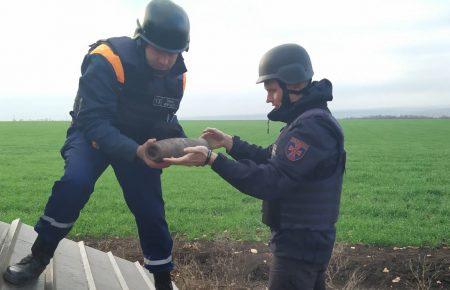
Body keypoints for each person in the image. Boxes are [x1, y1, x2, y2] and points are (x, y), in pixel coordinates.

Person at [3, 0, 189, 289]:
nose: (166, 61)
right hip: (94, 135)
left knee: (151, 208)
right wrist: (135, 151)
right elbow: (94, 121)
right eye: (160, 51)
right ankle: (38, 256)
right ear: (142, 41)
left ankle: (163, 280)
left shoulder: (177, 75)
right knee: (75, 183)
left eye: (173, 54)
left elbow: (165, 119)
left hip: (139, 142)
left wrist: (186, 145)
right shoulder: (107, 58)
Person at [165, 44, 346, 290]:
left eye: (271, 89)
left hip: (299, 245)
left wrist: (213, 160)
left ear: (291, 84)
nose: (268, 98)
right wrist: (229, 143)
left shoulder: (311, 128)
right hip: (305, 240)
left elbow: (271, 181)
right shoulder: (306, 121)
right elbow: (269, 157)